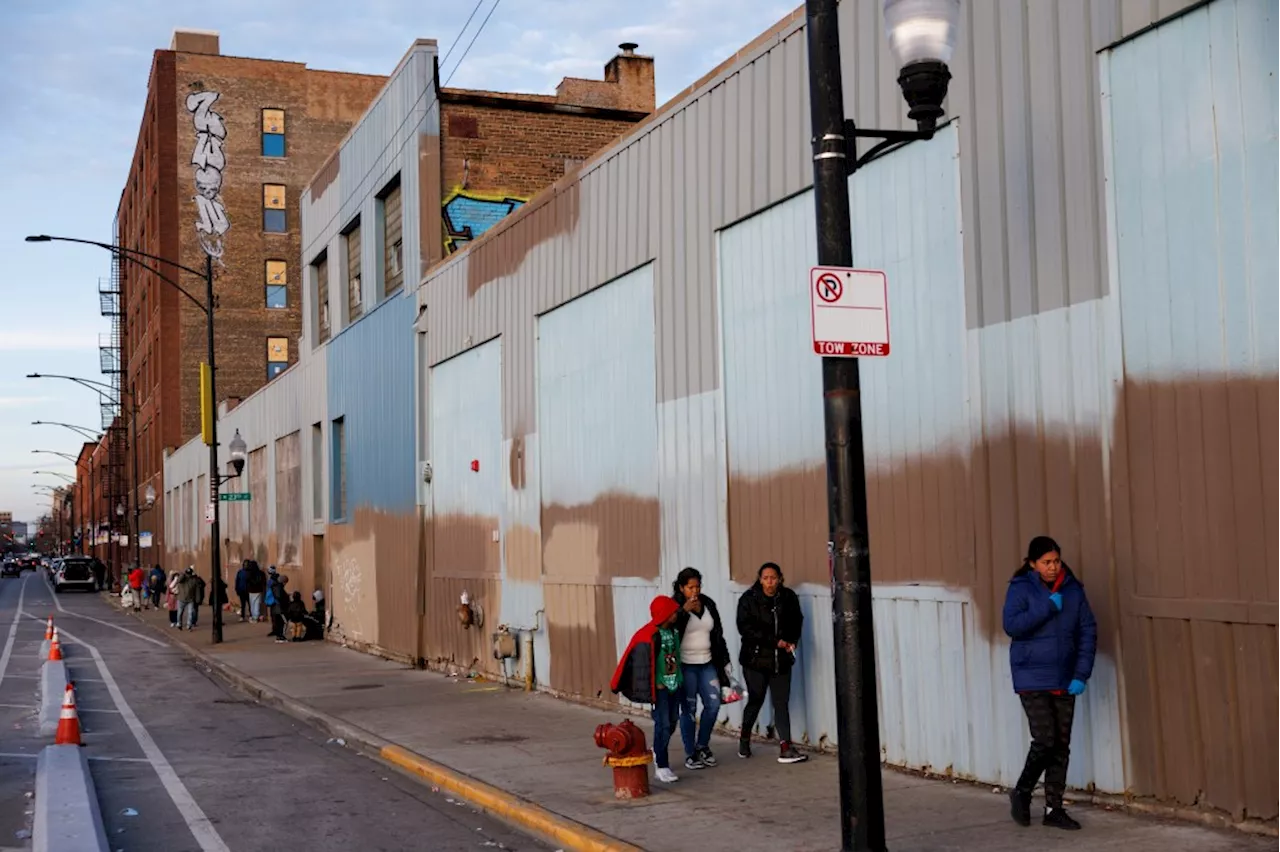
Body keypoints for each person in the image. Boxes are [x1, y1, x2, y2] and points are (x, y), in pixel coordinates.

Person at [1003, 536, 1097, 831]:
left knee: (1061, 745)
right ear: (1032, 564)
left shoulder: (1073, 591)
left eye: (1056, 561)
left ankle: (1054, 809)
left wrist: (1081, 674)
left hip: (1065, 677)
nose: (1053, 567)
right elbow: (1012, 626)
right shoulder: (1020, 589)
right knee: (1045, 740)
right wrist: (1046, 608)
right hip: (1032, 676)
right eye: (1046, 562)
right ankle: (1022, 791)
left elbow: (1088, 632)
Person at [736, 562, 808, 764]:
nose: (770, 582)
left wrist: (791, 641)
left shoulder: (788, 598)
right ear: (760, 579)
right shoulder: (749, 600)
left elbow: (797, 621)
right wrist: (774, 641)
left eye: (773, 578)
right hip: (756, 660)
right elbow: (746, 629)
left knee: (781, 703)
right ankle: (744, 738)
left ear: (780, 579)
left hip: (782, 660)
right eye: (766, 578)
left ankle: (785, 746)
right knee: (756, 700)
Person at [610, 595, 684, 784]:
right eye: (673, 611)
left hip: (675, 684)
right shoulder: (649, 634)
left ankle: (658, 749)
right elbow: (637, 661)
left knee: (672, 721)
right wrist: (652, 685)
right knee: (663, 724)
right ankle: (661, 764)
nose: (676, 614)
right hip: (659, 689)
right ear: (665, 614)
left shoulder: (674, 630)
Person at [671, 567, 731, 770]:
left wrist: (725, 661)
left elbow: (718, 634)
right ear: (681, 588)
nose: (695, 591)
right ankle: (691, 753)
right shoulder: (675, 606)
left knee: (713, 704)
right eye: (690, 587)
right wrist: (683, 611)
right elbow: (668, 630)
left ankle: (703, 745)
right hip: (686, 665)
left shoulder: (709, 604)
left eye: (697, 586)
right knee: (689, 709)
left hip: (707, 663)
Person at [266, 566, 288, 639]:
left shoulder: (274, 585)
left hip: (274, 605)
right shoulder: (278, 587)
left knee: (276, 620)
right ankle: (280, 636)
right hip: (278, 606)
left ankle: (277, 633)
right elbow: (279, 597)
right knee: (281, 622)